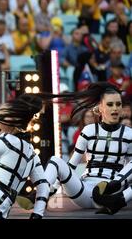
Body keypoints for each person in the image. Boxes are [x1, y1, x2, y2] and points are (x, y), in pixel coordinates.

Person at [29, 83, 132, 212]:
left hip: (110, 193)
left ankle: (117, 200)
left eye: (118, 104)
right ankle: (40, 194)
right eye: (110, 104)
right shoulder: (88, 131)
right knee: (55, 161)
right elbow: (72, 165)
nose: (115, 108)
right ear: (100, 107)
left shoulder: (129, 134)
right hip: (84, 190)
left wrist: (121, 188)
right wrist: (55, 186)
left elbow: (129, 169)